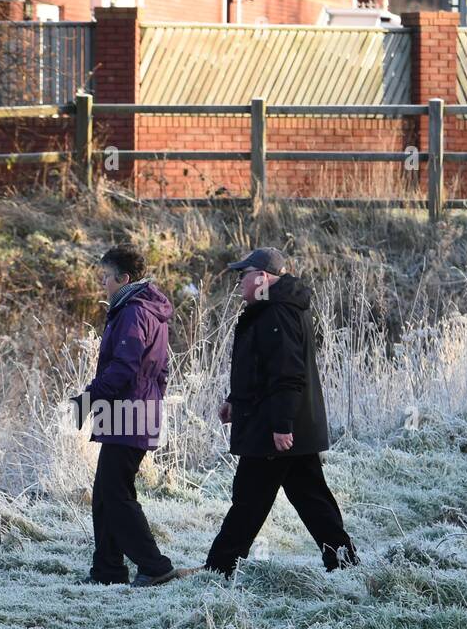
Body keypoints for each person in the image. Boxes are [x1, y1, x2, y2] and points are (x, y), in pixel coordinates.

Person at [204, 247, 358, 577]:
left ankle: (218, 569)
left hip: (273, 427)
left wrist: (282, 424)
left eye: (242, 277)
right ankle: (344, 563)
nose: (239, 284)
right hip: (279, 423)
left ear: (262, 278)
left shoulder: (276, 312)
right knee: (311, 498)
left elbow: (287, 372)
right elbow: (261, 368)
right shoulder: (273, 308)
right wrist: (236, 399)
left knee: (249, 501)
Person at [75, 243, 179, 587]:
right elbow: (159, 371)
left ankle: (154, 565)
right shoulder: (139, 309)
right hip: (131, 410)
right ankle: (107, 570)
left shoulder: (134, 312)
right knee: (107, 492)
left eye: (106, 277)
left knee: (115, 495)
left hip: (128, 413)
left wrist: (88, 398)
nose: (102, 284)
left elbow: (123, 367)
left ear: (125, 278)